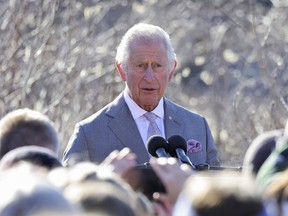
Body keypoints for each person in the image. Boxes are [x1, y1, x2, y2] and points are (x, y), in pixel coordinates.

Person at [63, 23, 220, 167]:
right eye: (141, 66)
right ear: (121, 69)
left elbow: (215, 193)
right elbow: (66, 193)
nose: (149, 77)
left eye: (157, 66)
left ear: (171, 70)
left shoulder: (197, 126)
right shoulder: (89, 133)